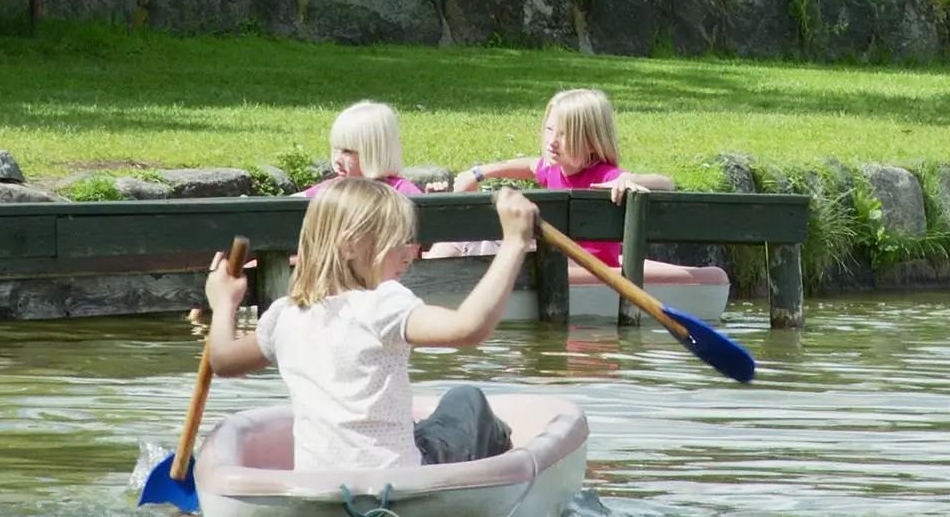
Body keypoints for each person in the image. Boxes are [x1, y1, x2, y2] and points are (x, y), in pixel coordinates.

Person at [203, 178, 536, 470]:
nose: (408, 255)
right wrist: (514, 243)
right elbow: (469, 328)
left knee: (416, 424)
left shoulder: (283, 316)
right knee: (468, 399)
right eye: (396, 242)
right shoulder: (383, 304)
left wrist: (223, 305)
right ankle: (504, 483)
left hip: (320, 487)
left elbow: (222, 360)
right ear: (349, 245)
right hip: (396, 481)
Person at [432, 88, 673, 265]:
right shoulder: (553, 169)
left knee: (485, 245)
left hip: (585, 271)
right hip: (554, 262)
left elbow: (666, 183)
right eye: (549, 130)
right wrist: (478, 173)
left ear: (591, 142)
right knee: (457, 242)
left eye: (564, 135)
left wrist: (631, 182)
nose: (552, 141)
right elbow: (528, 165)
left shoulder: (604, 175)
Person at [297, 101, 423, 198]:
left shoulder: (401, 193)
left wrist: (437, 197)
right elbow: (289, 205)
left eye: (347, 151)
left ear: (375, 153)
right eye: (337, 150)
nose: (337, 160)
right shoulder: (334, 189)